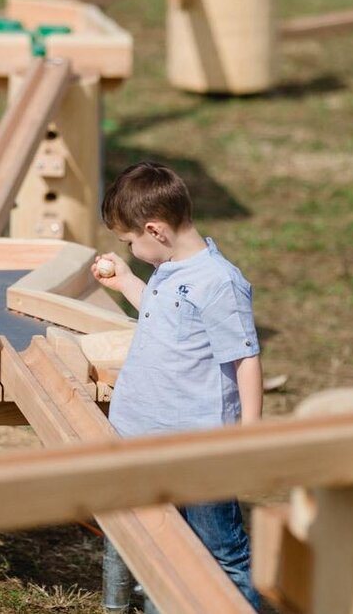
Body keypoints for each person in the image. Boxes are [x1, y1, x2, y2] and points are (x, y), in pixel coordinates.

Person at [93, 161, 264, 611]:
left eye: (131, 243)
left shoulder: (218, 283)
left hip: (197, 447)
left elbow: (245, 359)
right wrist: (125, 280)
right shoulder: (171, 269)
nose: (131, 250)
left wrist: (250, 432)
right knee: (164, 546)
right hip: (147, 437)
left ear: (156, 230)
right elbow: (161, 313)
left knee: (220, 550)